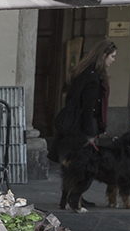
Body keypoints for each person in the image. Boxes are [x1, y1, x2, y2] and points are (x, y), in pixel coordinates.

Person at [49, 38, 117, 167]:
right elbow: (88, 105)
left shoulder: (85, 71)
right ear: (104, 55)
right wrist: (89, 131)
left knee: (77, 165)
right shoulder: (93, 76)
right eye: (112, 56)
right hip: (85, 125)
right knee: (84, 166)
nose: (113, 60)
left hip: (79, 124)